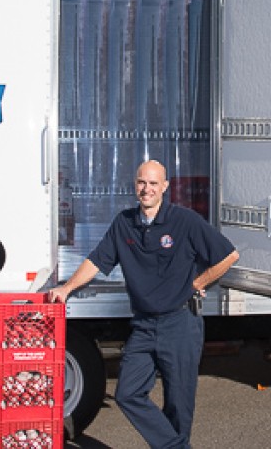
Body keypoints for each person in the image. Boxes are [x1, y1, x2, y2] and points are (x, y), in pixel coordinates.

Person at [49, 160, 239, 448]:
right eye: (141, 182)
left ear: (165, 187)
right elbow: (97, 261)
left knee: (179, 404)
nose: (146, 189)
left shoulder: (184, 221)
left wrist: (199, 284)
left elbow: (228, 256)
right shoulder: (125, 222)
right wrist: (67, 288)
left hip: (180, 324)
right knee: (127, 393)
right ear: (134, 185)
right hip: (144, 325)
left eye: (153, 183)